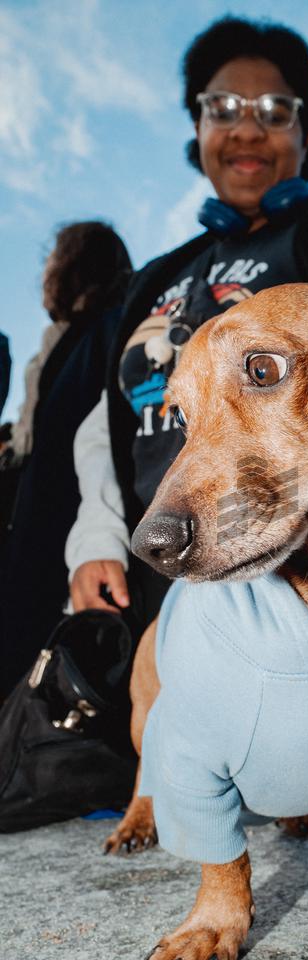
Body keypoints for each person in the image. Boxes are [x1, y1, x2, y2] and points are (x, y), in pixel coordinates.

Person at [65, 18, 308, 845]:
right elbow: (106, 423)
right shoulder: (152, 281)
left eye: (275, 109)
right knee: (188, 731)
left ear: (306, 135)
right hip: (180, 549)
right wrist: (96, 534)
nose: (246, 126)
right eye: (222, 105)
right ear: (196, 128)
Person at [0, 222, 132, 697]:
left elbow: (98, 441)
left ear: (77, 266)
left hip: (69, 553)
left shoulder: (108, 332)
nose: (45, 272)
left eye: (54, 258)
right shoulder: (59, 343)